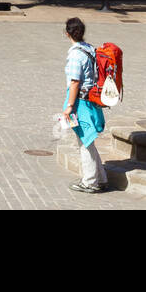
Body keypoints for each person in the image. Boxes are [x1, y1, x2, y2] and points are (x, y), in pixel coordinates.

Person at [62, 17, 108, 194]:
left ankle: (90, 182)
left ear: (67, 34)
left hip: (80, 103)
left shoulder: (75, 54)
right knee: (88, 140)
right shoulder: (90, 48)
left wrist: (69, 107)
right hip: (91, 100)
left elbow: (74, 82)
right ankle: (101, 178)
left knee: (85, 142)